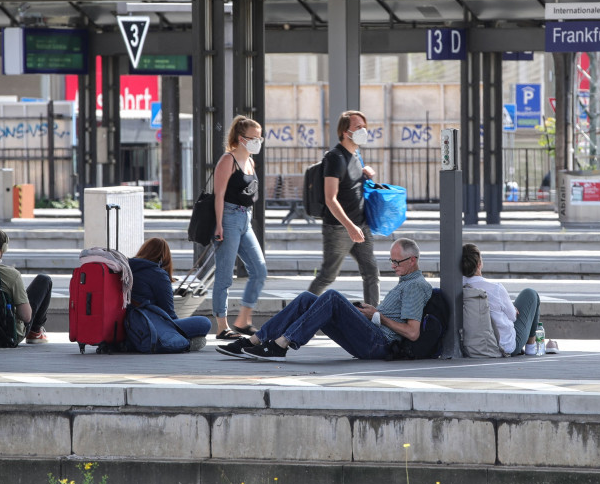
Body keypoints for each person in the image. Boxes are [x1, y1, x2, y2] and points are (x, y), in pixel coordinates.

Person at [217, 237, 431, 361]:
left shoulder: (415, 286)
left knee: (332, 296)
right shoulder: (405, 281)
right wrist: (370, 312)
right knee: (307, 299)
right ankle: (255, 341)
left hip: (379, 344)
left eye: (397, 262)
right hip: (371, 335)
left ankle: (281, 344)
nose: (393, 266)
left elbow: (412, 333)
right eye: (391, 261)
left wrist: (378, 316)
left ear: (412, 260)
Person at [307, 109, 381, 306]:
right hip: (339, 228)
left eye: (364, 127)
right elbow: (330, 198)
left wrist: (365, 175)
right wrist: (350, 227)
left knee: (371, 273)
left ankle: (372, 320)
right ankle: (299, 315)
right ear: (344, 131)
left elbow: (352, 187)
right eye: (358, 127)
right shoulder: (335, 158)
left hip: (361, 224)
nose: (363, 131)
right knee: (327, 276)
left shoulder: (356, 155)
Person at [211, 115, 269, 340]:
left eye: (259, 137)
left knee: (259, 270)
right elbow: (219, 195)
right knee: (225, 275)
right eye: (252, 137)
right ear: (240, 138)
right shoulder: (228, 160)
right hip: (228, 217)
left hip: (245, 219)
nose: (257, 141)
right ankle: (222, 327)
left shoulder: (251, 161)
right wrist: (218, 225)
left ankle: (243, 319)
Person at [460, 243, 557, 356]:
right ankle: (531, 346)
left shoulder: (456, 288)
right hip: (504, 346)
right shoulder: (495, 288)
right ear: (479, 264)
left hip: (472, 347)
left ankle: (532, 346)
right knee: (530, 294)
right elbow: (513, 317)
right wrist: (512, 310)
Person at [129, 237, 211, 351]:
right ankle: (182, 341)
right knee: (204, 322)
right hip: (148, 324)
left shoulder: (128, 268)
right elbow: (169, 312)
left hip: (131, 323)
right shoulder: (158, 274)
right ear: (163, 257)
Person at [0, 228, 52, 344]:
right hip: (7, 334)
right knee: (44, 280)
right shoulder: (12, 275)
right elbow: (26, 316)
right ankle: (35, 332)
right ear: (4, 248)